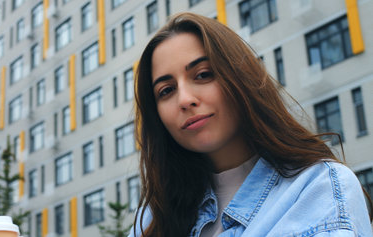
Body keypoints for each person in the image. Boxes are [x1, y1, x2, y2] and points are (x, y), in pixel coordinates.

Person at [129, 12, 372, 237]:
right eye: (166, 90)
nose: (185, 99)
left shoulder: (318, 189)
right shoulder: (152, 217)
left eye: (203, 74)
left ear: (240, 78)